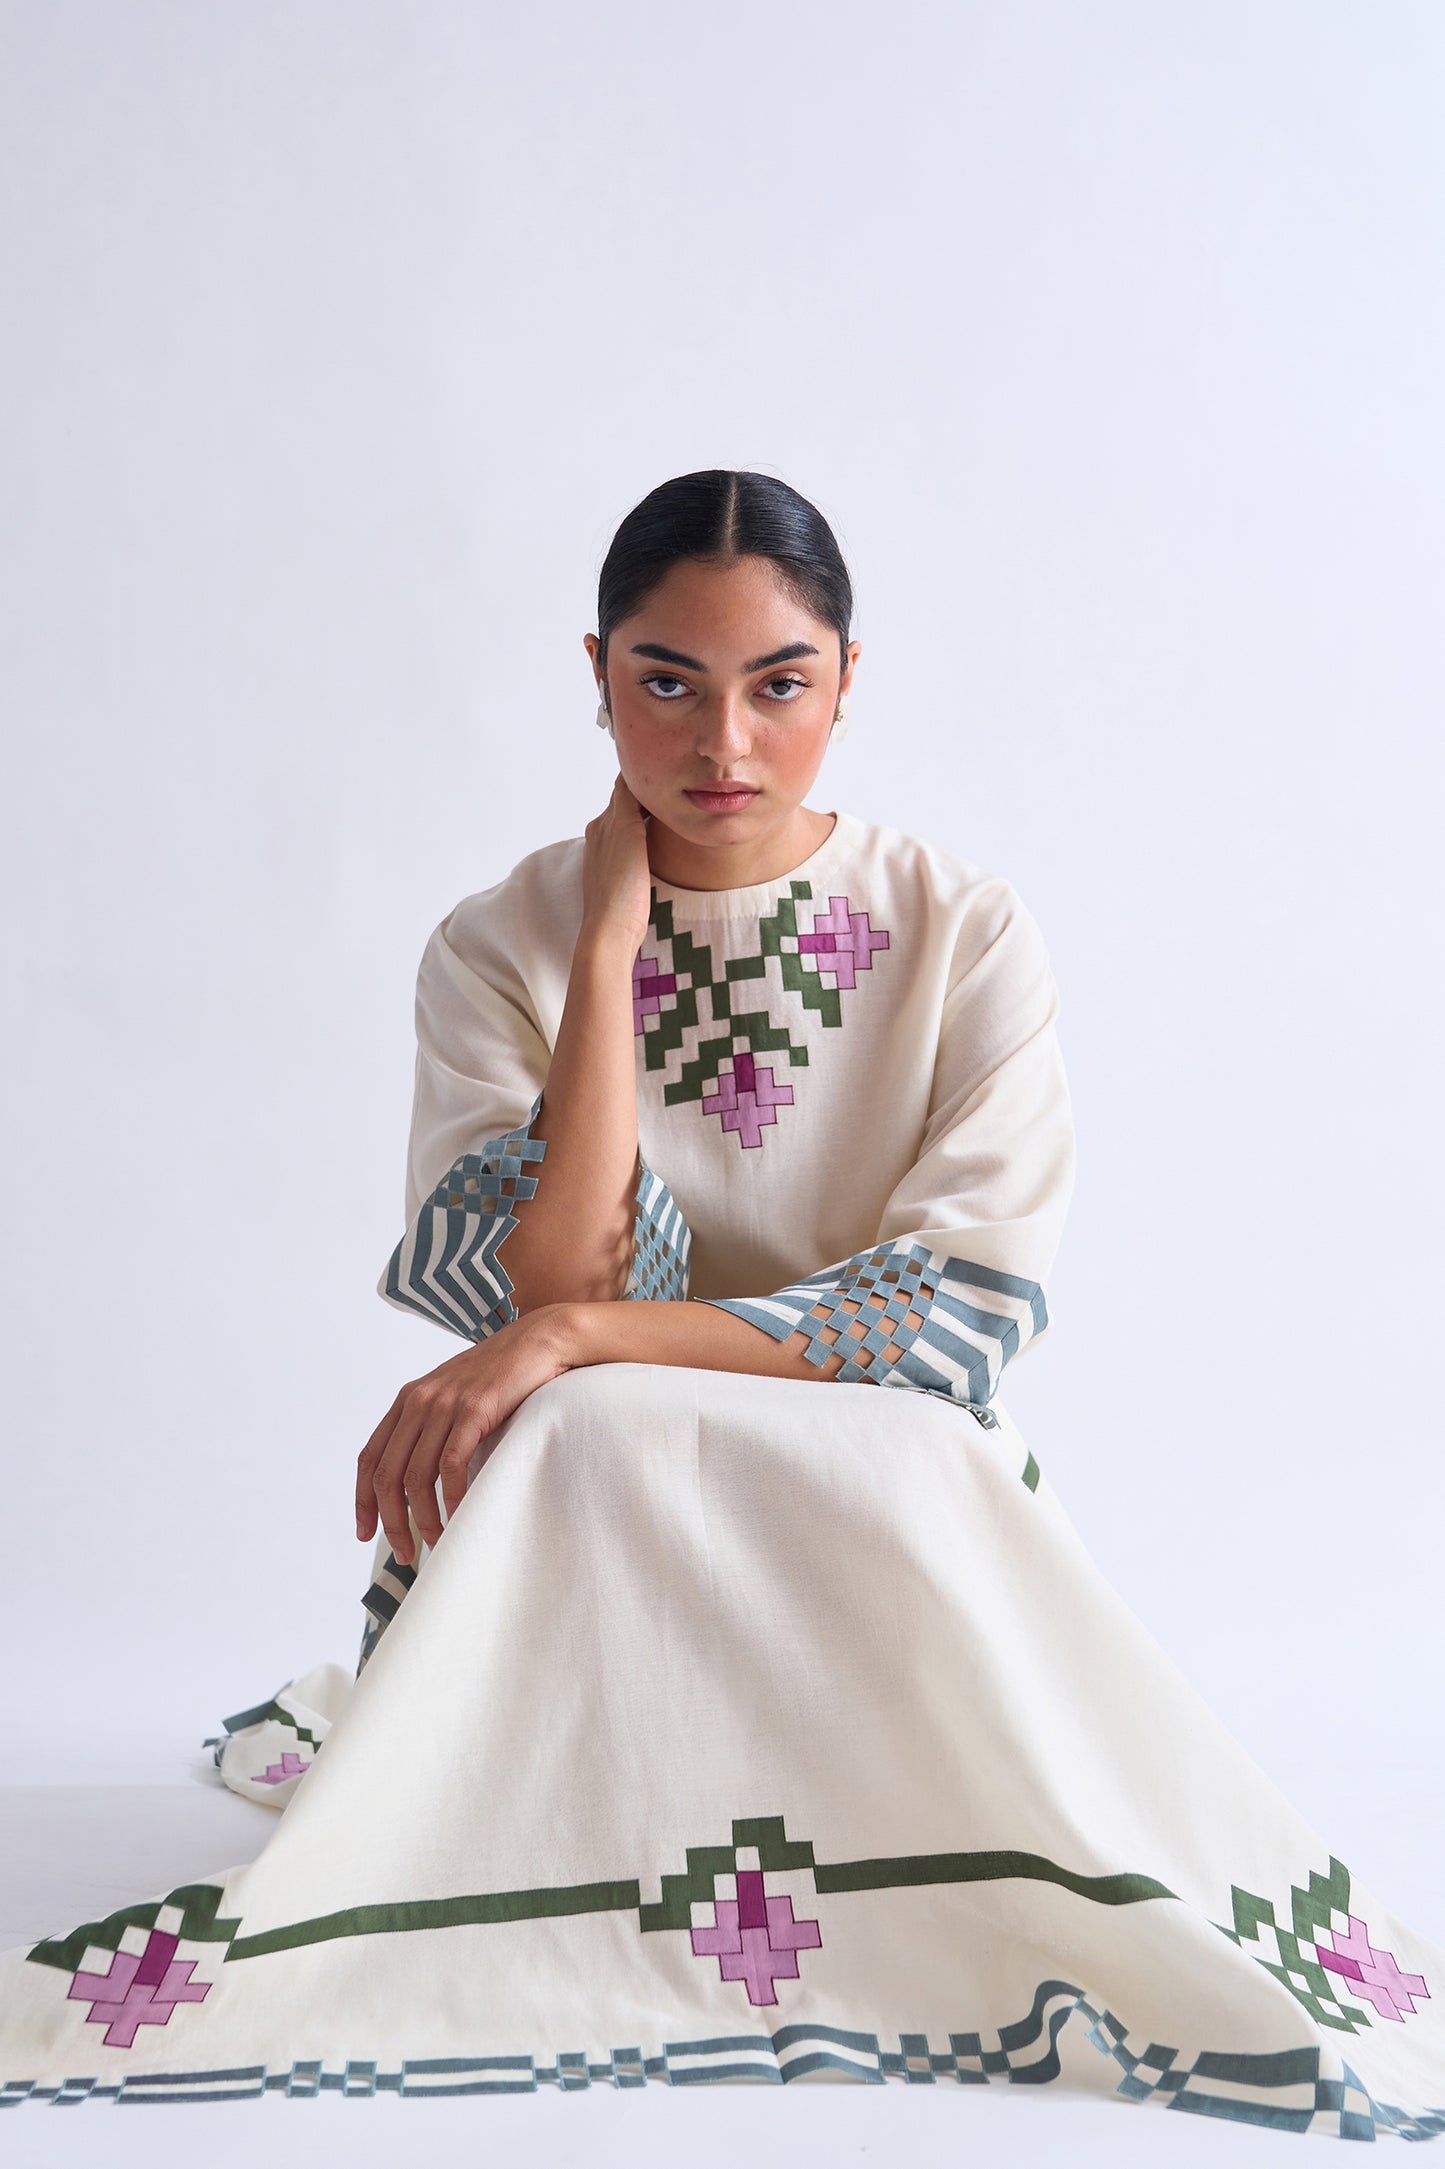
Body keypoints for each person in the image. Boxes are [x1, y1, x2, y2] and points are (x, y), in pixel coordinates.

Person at [1, 472, 1441, 2138]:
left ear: (848, 678)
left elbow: (947, 1319)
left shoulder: (962, 930)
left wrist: (570, 1343)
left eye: (780, 683)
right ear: (596, 672)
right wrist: (606, 947)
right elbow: (558, 1282)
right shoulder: (498, 945)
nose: (724, 744)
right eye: (666, 681)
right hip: (593, 1486)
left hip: (877, 1479)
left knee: (718, 1419)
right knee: (578, 1427)